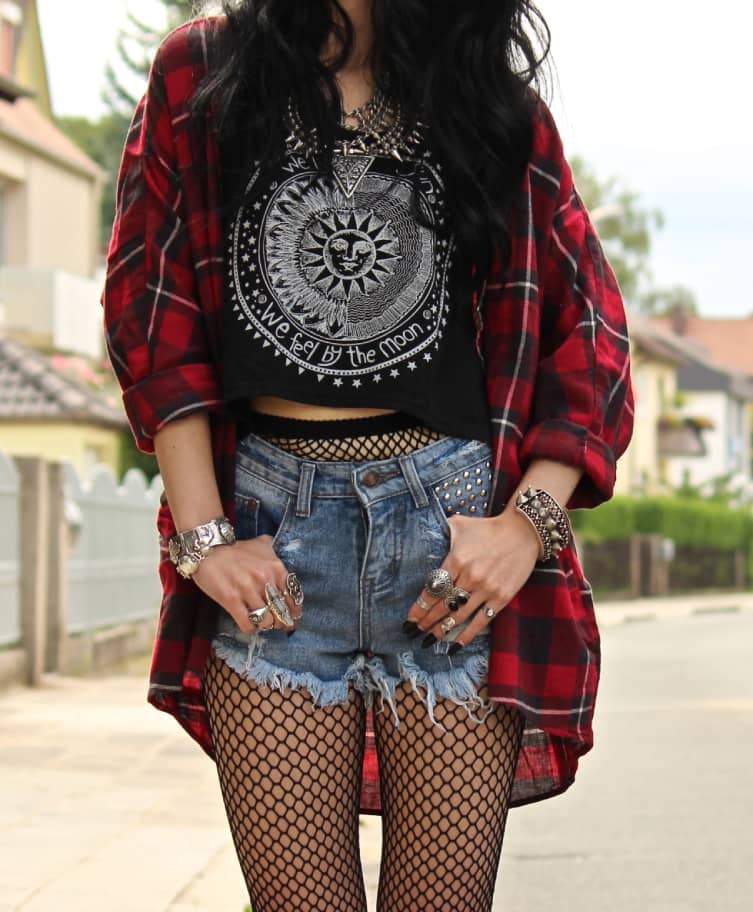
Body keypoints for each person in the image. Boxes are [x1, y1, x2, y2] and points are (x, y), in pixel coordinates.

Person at [101, 1, 634, 909]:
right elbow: (153, 311)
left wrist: (524, 526)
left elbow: (584, 330)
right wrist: (202, 537)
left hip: (451, 545)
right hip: (274, 544)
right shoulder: (203, 70)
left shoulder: (486, 100)